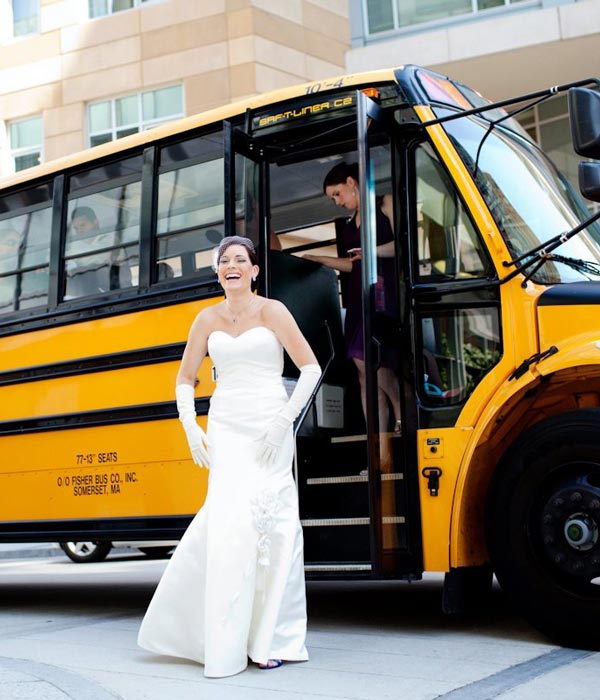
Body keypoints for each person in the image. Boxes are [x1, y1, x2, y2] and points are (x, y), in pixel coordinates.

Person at [138, 235, 321, 678]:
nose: (232, 266)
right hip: (225, 426)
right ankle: (222, 637)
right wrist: (190, 427)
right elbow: (186, 378)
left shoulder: (273, 311)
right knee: (227, 525)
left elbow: (311, 368)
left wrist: (284, 421)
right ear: (218, 272)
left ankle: (271, 638)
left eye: (241, 260)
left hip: (269, 427)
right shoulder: (206, 318)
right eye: (224, 261)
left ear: (255, 271)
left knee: (273, 528)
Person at [303, 162, 401, 435]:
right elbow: (352, 263)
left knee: (365, 356)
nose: (337, 201)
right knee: (363, 375)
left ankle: (401, 408)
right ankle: (378, 448)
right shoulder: (350, 223)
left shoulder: (386, 203)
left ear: (351, 182)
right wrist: (316, 258)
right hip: (357, 297)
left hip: (383, 293)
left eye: (337, 193)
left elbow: (403, 246)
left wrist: (371, 251)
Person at [65, 206, 132, 297]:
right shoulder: (73, 248)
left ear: (95, 222)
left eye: (83, 225)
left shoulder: (111, 240)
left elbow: (107, 261)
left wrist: (79, 264)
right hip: (88, 295)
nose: (80, 230)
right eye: (76, 228)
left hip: (120, 291)